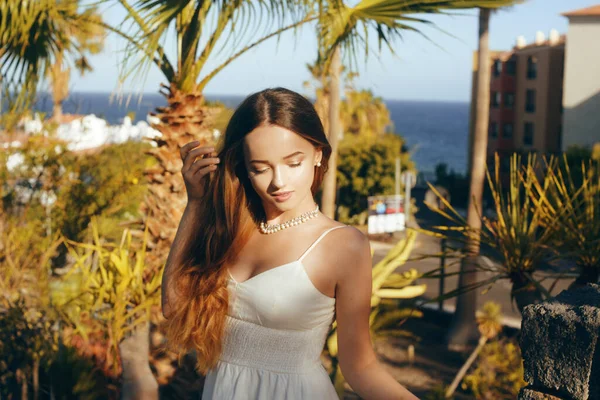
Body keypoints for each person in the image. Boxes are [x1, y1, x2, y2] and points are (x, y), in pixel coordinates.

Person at [161, 87, 419, 400]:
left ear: (318, 154)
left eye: (293, 163)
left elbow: (360, 366)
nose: (278, 182)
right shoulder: (228, 228)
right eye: (260, 168)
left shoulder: (342, 245)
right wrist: (196, 204)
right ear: (243, 166)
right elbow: (173, 306)